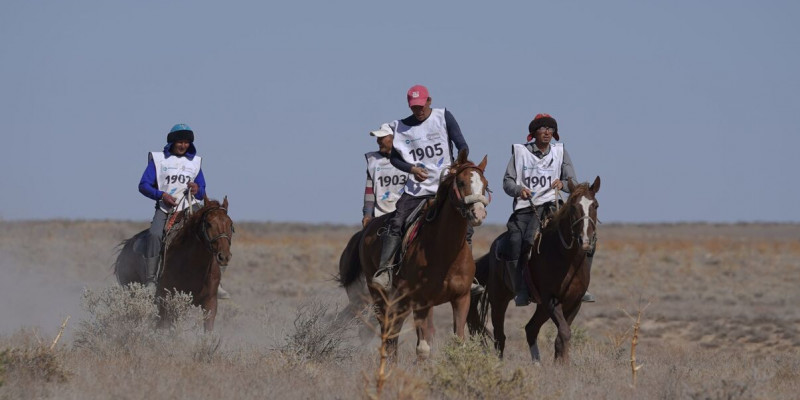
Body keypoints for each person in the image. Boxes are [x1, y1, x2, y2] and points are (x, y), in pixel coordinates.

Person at [372, 84, 470, 289]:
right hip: (417, 188)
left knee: (466, 219)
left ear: (429, 101)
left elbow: (462, 144)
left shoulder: (443, 117)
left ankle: (468, 274)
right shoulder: (399, 126)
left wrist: (458, 164)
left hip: (445, 184)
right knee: (397, 220)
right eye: (414, 107)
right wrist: (411, 169)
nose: (418, 110)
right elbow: (395, 160)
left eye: (421, 105)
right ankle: (385, 269)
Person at [501, 113, 596, 306]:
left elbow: (573, 183)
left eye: (551, 129)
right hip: (527, 208)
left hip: (555, 207)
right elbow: (507, 182)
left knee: (587, 238)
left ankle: (582, 286)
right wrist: (520, 190)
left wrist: (563, 184)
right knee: (518, 240)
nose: (547, 133)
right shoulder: (520, 152)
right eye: (543, 129)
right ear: (534, 132)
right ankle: (521, 288)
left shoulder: (560, 152)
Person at [138, 124, 207, 294]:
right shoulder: (158, 159)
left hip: (190, 206)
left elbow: (202, 190)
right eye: (180, 142)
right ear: (172, 142)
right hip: (166, 207)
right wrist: (162, 195)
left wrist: (197, 189)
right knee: (154, 234)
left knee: (210, 232)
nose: (183, 146)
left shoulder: (195, 162)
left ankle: (214, 279)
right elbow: (143, 185)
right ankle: (151, 280)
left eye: (186, 142)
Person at [362, 123, 409, 228]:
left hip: (406, 214)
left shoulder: (409, 158)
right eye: (378, 138)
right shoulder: (373, 161)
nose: (378, 141)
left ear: (394, 138)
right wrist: (367, 215)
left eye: (382, 137)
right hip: (380, 216)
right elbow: (369, 192)